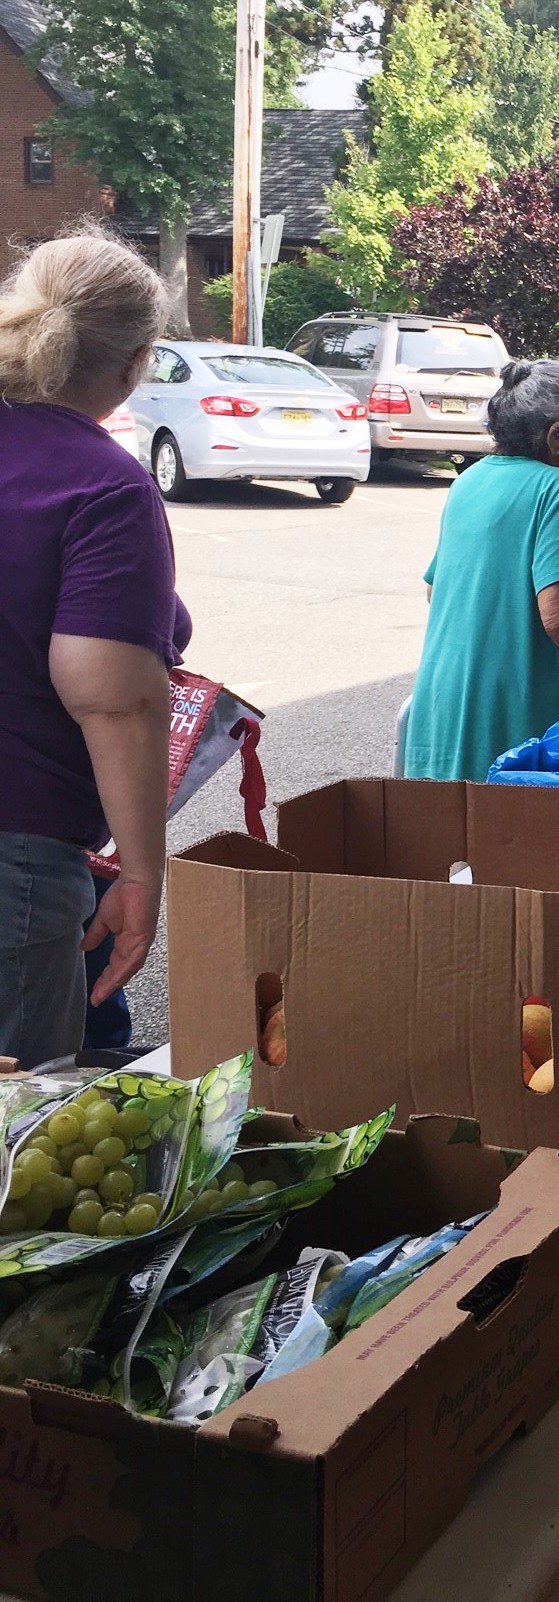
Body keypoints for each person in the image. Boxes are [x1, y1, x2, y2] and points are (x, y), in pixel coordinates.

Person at [0, 229, 188, 1070]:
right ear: (134, 363)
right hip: (17, 854)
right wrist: (140, 874)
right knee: (17, 1152)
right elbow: (111, 694)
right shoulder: (103, 485)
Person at [403, 360, 559, 782]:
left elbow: (437, 591)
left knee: (454, 840)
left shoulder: (469, 480)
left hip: (445, 708)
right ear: (556, 436)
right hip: (516, 720)